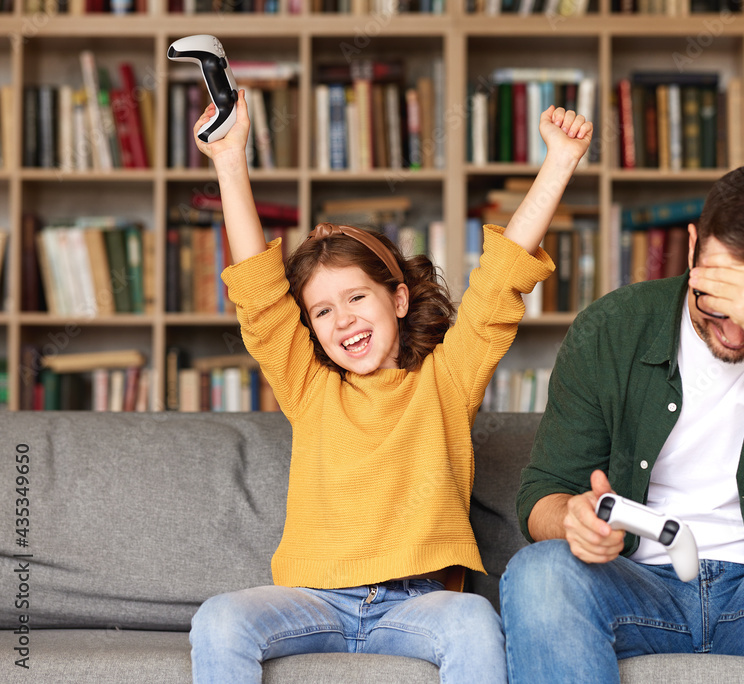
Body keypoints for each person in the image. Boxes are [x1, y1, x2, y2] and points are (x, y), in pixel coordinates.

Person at [187, 89, 592, 683]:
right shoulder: (306, 385)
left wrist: (559, 161)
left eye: (356, 298)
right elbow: (258, 293)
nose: (342, 318)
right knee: (219, 619)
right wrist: (228, 158)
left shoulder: (445, 382)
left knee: (477, 622)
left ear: (398, 299)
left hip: (418, 603)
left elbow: (500, 283)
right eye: (321, 312)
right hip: (315, 599)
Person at [500, 164, 744, 683]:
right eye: (716, 292)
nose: (733, 331)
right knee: (541, 571)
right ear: (692, 247)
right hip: (638, 586)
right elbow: (543, 497)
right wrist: (571, 518)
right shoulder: (612, 326)